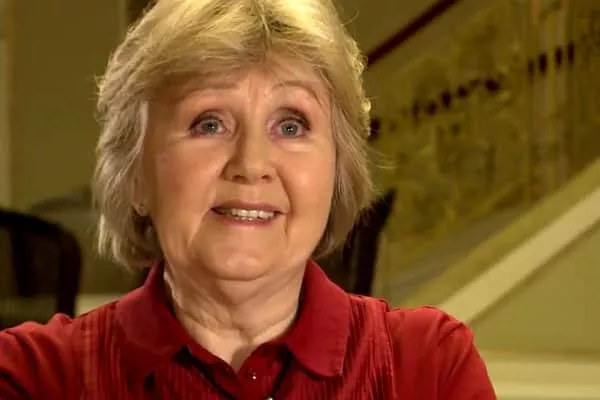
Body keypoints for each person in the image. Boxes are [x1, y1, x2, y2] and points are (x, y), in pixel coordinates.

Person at [0, 0, 497, 398]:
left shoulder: (429, 367)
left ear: (337, 171)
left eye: (291, 125)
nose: (252, 163)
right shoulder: (32, 377)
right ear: (135, 175)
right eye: (209, 123)